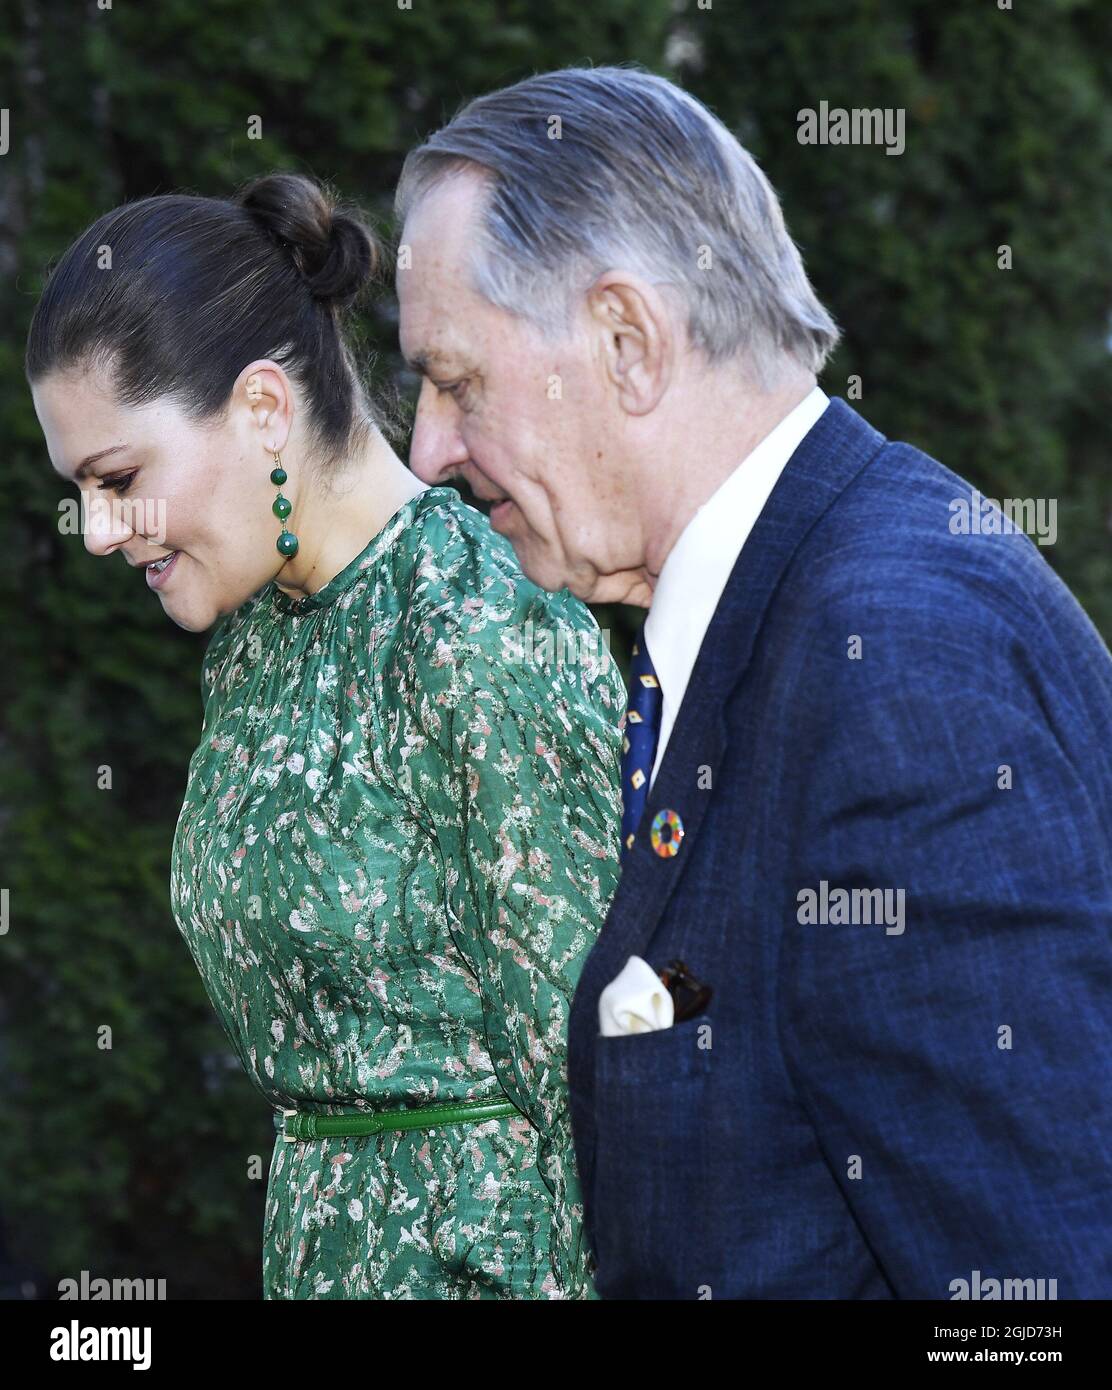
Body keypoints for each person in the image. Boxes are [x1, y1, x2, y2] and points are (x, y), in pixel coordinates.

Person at [393, 64, 1112, 1298]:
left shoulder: (890, 657)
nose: (427, 446)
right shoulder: (790, 605)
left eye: (457, 379)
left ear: (625, 344)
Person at [26, 171, 625, 1299]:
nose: (100, 532)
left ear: (262, 408)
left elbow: (595, 1085)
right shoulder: (252, 643)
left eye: (120, 480)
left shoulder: (479, 632)